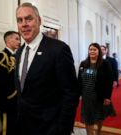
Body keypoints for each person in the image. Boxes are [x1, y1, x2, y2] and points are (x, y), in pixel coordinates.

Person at [14, 2, 80, 135]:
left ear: (39, 21)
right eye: (20, 20)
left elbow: (71, 93)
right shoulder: (19, 52)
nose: (24, 24)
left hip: (50, 128)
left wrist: (63, 129)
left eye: (29, 18)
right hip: (24, 126)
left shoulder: (59, 49)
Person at [78, 43, 116, 135]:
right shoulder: (83, 63)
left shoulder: (105, 64)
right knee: (88, 118)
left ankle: (98, 132)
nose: (92, 51)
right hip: (86, 96)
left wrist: (107, 97)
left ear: (99, 51)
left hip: (99, 95)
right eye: (90, 49)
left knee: (99, 117)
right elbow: (79, 79)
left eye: (94, 49)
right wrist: (78, 93)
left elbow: (109, 81)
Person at [0, 31, 20, 135]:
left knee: (17, 129)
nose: (19, 41)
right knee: (8, 129)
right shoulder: (1, 56)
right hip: (9, 100)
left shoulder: (18, 55)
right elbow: (2, 81)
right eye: (16, 39)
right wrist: (13, 95)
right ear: (9, 40)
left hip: (19, 100)